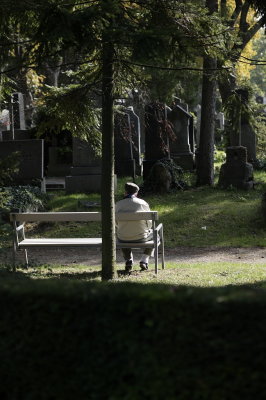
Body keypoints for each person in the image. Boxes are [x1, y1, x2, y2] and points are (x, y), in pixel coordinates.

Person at [115, 182, 154, 272]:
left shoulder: (118, 204)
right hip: (141, 237)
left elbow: (116, 223)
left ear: (125, 192)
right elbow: (149, 223)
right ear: (136, 193)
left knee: (123, 234)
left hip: (123, 238)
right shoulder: (143, 203)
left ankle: (128, 260)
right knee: (156, 236)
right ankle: (144, 260)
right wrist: (147, 229)